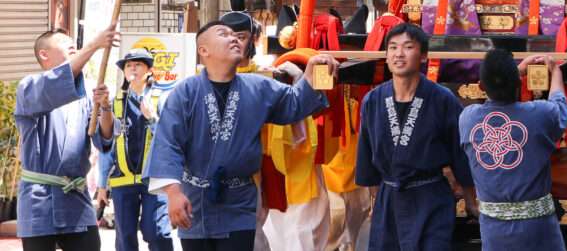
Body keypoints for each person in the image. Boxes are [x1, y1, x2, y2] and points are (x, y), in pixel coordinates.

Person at [146, 21, 337, 250]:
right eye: (223, 34)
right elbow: (168, 144)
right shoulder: (185, 92)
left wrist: (311, 71)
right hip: (196, 202)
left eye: (237, 35)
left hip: (240, 202)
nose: (234, 38)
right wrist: (173, 193)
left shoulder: (258, 87)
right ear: (203, 50)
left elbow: (294, 103)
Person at [355, 23, 478, 250]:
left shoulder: (443, 99)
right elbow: (367, 156)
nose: (399, 54)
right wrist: (375, 203)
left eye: (408, 47)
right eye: (392, 48)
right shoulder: (372, 101)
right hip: (389, 200)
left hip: (430, 198)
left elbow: (460, 155)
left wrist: (471, 201)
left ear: (423, 56)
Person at [15, 27, 118, 251]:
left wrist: (106, 107)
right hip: (38, 198)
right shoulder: (28, 88)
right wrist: (93, 45)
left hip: (76, 196)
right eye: (63, 41)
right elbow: (53, 85)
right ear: (45, 54)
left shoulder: (88, 93)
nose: (72, 44)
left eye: (74, 42)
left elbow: (105, 139)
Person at [459, 51, 567, 250]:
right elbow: (559, 105)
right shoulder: (540, 114)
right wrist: (554, 71)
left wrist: (516, 71)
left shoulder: (468, 118)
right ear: (520, 83)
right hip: (538, 231)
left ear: (481, 87)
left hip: (494, 232)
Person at [105, 49, 173, 251]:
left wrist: (152, 118)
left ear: (149, 71)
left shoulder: (162, 99)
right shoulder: (115, 103)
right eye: (128, 66)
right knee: (125, 238)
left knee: (157, 232)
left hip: (155, 179)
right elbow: (108, 146)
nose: (132, 69)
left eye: (138, 65)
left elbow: (172, 138)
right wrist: (102, 185)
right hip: (123, 180)